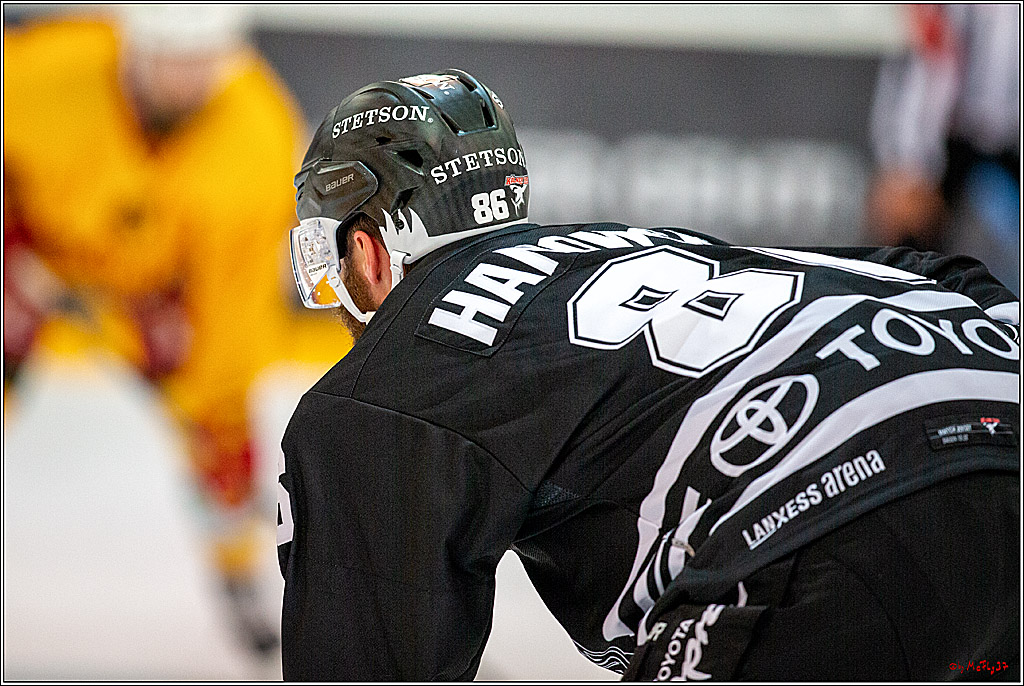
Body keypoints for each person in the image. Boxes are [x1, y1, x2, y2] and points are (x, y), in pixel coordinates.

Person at [277, 69, 1020, 680]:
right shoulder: (638, 244)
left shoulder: (388, 379)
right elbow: (948, 279)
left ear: (369, 251)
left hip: (820, 531)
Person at [3, 5, 352, 657]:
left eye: (206, 61)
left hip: (150, 282)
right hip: (35, 237)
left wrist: (212, 399)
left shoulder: (256, 133)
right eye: (173, 57)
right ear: (133, 46)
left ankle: (235, 567)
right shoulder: (51, 66)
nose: (190, 78)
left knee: (221, 431)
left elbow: (235, 299)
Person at [867, 4, 1019, 292]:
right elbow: (923, 63)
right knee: (912, 257)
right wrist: (908, 163)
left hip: (1008, 136)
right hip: (951, 136)